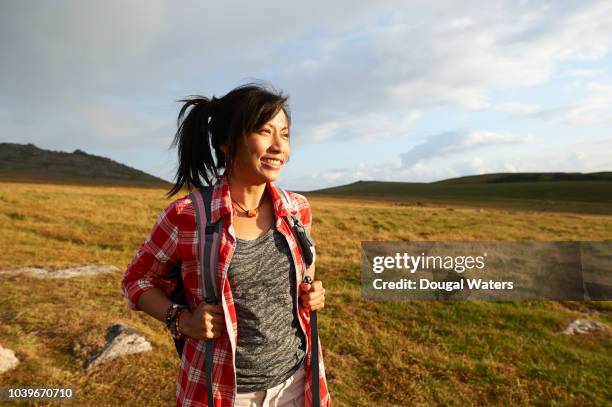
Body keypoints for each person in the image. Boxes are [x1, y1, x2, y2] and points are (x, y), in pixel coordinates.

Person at [121, 82, 331, 407]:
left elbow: (305, 270)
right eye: (265, 131)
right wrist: (181, 320)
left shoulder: (296, 208)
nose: (279, 146)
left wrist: (311, 291)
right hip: (222, 393)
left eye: (285, 134)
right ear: (227, 143)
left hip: (297, 383)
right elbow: (137, 280)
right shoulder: (186, 216)